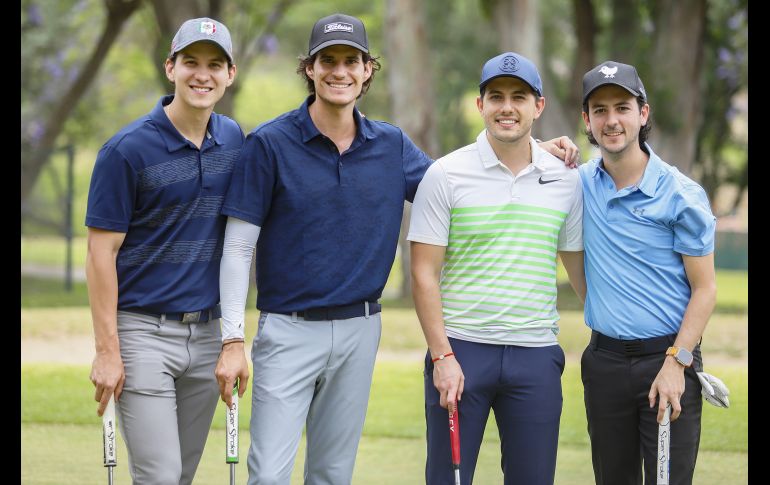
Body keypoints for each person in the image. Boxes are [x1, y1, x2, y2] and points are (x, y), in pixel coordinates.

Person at [214, 14, 579, 485]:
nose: (340, 71)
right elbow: (238, 247)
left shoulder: (390, 145)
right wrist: (232, 339)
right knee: (268, 475)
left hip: (360, 329)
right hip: (288, 328)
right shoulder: (269, 143)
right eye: (328, 60)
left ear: (368, 69)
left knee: (331, 475)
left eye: (351, 61)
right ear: (310, 68)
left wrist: (528, 145)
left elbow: (465, 180)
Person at [408, 51, 586, 485]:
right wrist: (442, 356)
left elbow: (580, 274)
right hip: (461, 351)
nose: (507, 107)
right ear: (480, 104)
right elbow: (423, 274)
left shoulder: (566, 178)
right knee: (447, 479)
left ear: (538, 106)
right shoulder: (445, 174)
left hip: (535, 355)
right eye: (496, 97)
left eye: (519, 97)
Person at [85, 17, 242, 484]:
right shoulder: (125, 151)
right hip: (142, 334)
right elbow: (99, 255)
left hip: (209, 333)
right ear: (170, 67)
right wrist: (107, 351)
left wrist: (232, 338)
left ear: (230, 75)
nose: (202, 75)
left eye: (215, 65)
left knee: (181, 476)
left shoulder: (234, 140)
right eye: (191, 62)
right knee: (160, 476)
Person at [578, 60, 717, 485]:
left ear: (643, 113)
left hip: (667, 360)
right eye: (600, 110)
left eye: (622, 107)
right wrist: (546, 147)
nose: (611, 120)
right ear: (587, 120)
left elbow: (705, 290)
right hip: (603, 363)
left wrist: (678, 362)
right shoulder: (577, 184)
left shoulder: (681, 194)